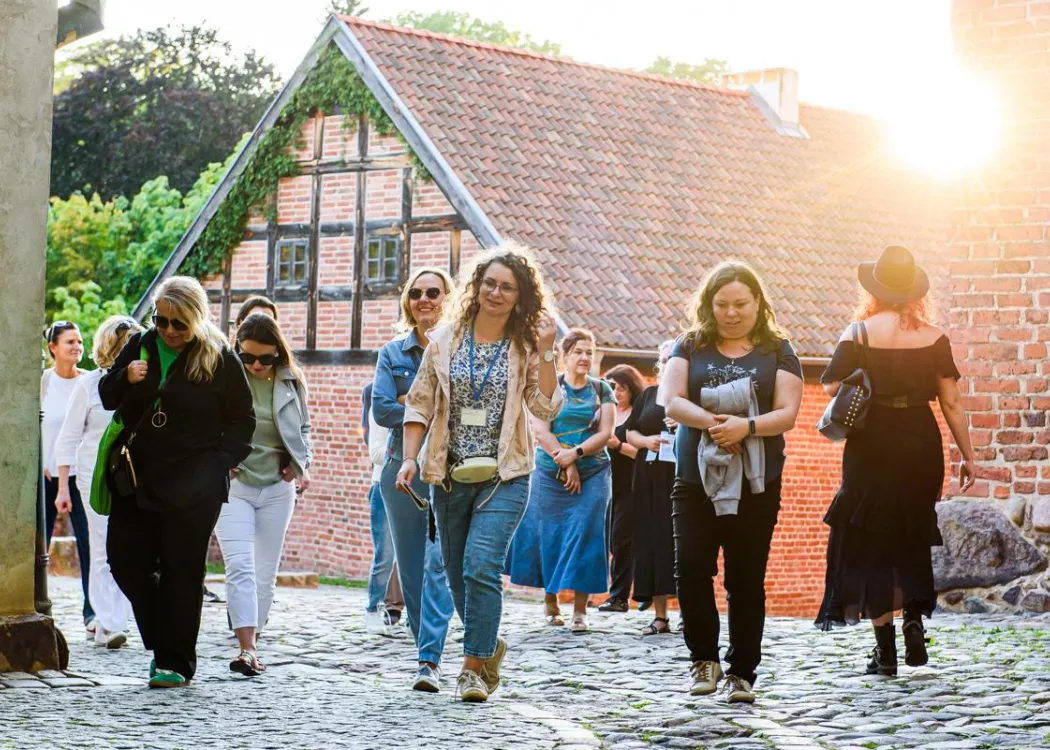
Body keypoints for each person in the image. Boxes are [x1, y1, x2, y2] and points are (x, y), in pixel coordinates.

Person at [398, 243, 561, 703]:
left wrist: (547, 354)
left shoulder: (526, 345)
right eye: (489, 282)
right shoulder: (445, 340)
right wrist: (410, 457)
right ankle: (489, 646)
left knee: (480, 566)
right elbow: (420, 402)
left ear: (520, 295)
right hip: (448, 475)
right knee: (455, 574)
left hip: (506, 475)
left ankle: (471, 669)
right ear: (476, 286)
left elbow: (545, 405)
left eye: (507, 286)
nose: (496, 291)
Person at [814, 245, 977, 676]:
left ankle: (884, 650)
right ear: (914, 292)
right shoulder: (934, 338)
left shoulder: (859, 332)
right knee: (911, 532)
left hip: (871, 443)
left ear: (876, 290)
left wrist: (869, 377)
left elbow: (830, 387)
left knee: (870, 541)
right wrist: (967, 455)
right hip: (920, 443)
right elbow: (952, 402)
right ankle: (914, 625)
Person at [100, 276, 254, 688]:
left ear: (196, 320)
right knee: (125, 562)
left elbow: (243, 422)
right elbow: (106, 395)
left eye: (178, 324)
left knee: (181, 572)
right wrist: (125, 377)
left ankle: (175, 662)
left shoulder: (220, 357)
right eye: (161, 319)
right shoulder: (142, 344)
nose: (168, 330)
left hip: (194, 487)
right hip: (136, 479)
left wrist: (216, 466)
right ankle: (164, 640)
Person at [660, 261, 803, 704]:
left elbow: (788, 413)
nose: (732, 313)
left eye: (741, 304)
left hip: (756, 484)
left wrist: (748, 427)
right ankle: (703, 660)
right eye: (722, 304)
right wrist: (715, 424)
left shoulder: (778, 349)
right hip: (694, 479)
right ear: (709, 305)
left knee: (745, 578)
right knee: (692, 571)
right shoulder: (690, 344)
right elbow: (670, 400)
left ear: (758, 304)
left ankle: (742, 672)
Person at [373, 267, 457, 692]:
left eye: (433, 293)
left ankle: (430, 655)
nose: (424, 300)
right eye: (416, 293)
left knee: (440, 560)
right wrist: (427, 405)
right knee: (410, 567)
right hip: (400, 468)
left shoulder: (460, 348)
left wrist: (415, 403)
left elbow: (463, 410)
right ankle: (427, 653)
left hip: (452, 468)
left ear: (448, 298)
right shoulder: (392, 353)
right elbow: (383, 409)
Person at [214, 312, 312, 677]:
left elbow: (304, 428)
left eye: (265, 358)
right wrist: (218, 457)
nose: (256, 364)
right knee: (239, 566)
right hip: (233, 487)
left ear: (278, 353)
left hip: (276, 488)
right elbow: (205, 422)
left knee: (264, 574)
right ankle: (247, 649)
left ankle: (253, 636)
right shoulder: (222, 378)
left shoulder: (292, 382)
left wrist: (300, 463)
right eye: (248, 356)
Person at [508, 328, 614, 633]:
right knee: (548, 534)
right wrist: (565, 461)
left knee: (587, 534)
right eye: (578, 351)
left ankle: (580, 610)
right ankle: (550, 601)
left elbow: (605, 433)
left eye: (589, 352)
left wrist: (575, 455)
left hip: (594, 471)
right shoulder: (549, 386)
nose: (584, 358)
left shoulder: (602, 389)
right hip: (549, 471)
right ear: (564, 355)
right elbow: (540, 429)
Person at [54, 316, 141, 648]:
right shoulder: (89, 385)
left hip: (133, 479)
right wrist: (63, 486)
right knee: (103, 550)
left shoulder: (143, 385)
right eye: (125, 343)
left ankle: (118, 617)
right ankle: (108, 623)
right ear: (110, 347)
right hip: (95, 479)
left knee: (128, 550)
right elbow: (68, 439)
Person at [41, 320, 95, 634]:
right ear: (53, 348)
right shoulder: (42, 383)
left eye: (79, 342)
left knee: (89, 544)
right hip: (46, 478)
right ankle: (36, 605)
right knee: (39, 546)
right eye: (69, 342)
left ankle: (92, 611)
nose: (77, 347)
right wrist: (41, 464)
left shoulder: (88, 383)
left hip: (80, 475)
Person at [624, 341, 679, 635]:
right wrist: (646, 442)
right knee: (652, 542)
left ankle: (688, 613)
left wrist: (684, 424)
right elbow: (630, 431)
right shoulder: (648, 395)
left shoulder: (690, 395)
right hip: (647, 477)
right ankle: (660, 617)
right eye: (663, 359)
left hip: (680, 476)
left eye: (673, 358)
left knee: (681, 543)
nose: (667, 363)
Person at [599, 364, 645, 614]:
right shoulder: (607, 413)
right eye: (612, 387)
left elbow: (642, 453)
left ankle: (619, 597)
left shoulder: (637, 415)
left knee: (621, 541)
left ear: (630, 387)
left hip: (631, 484)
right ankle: (625, 591)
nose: (615, 392)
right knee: (608, 541)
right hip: (607, 483)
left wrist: (617, 445)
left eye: (619, 387)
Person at [362, 381, 404, 635]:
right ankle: (373, 608)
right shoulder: (381, 407)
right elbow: (376, 453)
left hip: (420, 488)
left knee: (421, 558)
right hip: (384, 486)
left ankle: (418, 614)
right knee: (385, 556)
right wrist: (408, 453)